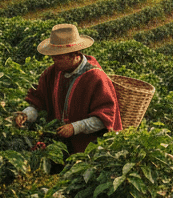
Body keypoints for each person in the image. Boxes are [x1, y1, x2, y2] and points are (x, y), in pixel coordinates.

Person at [14, 23, 122, 155]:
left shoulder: (96, 78)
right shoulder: (52, 73)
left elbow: (105, 118)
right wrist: (26, 114)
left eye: (59, 57)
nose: (54, 60)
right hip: (59, 144)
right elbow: (39, 102)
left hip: (89, 148)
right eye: (53, 56)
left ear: (74, 54)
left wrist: (75, 127)